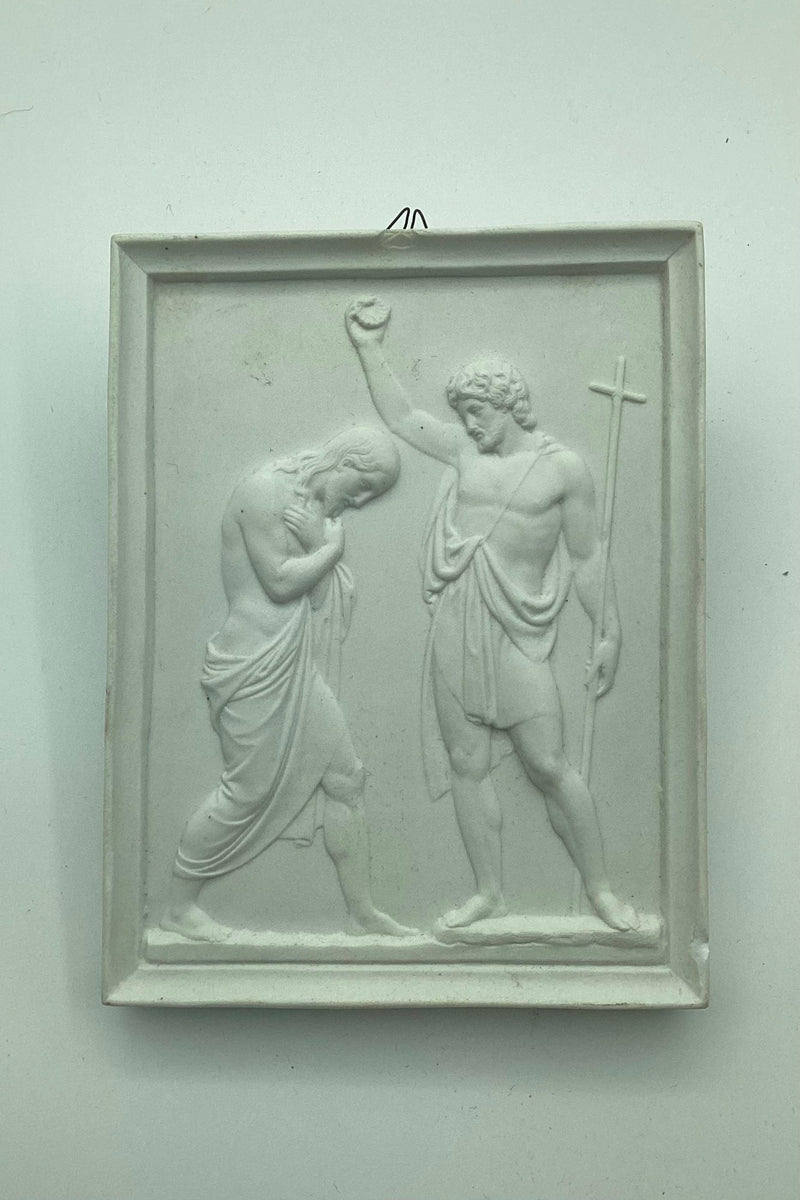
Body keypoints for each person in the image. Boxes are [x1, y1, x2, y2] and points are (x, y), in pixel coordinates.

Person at [345, 297, 639, 932]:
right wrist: (369, 347)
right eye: (463, 415)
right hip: (457, 622)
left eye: (477, 412)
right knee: (466, 762)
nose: (469, 424)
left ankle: (601, 890)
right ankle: (489, 893)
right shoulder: (463, 451)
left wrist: (610, 630)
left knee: (549, 764)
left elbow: (588, 557)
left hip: (520, 633)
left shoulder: (563, 469)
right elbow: (402, 417)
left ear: (508, 404)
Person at [161, 425, 414, 942]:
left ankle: (361, 914)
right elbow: (279, 584)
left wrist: (320, 544)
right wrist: (330, 551)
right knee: (245, 793)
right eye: (363, 488)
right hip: (252, 666)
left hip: (294, 665)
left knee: (345, 778)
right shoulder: (263, 491)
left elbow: (319, 600)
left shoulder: (313, 511)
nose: (361, 502)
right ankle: (178, 908)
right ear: (345, 463)